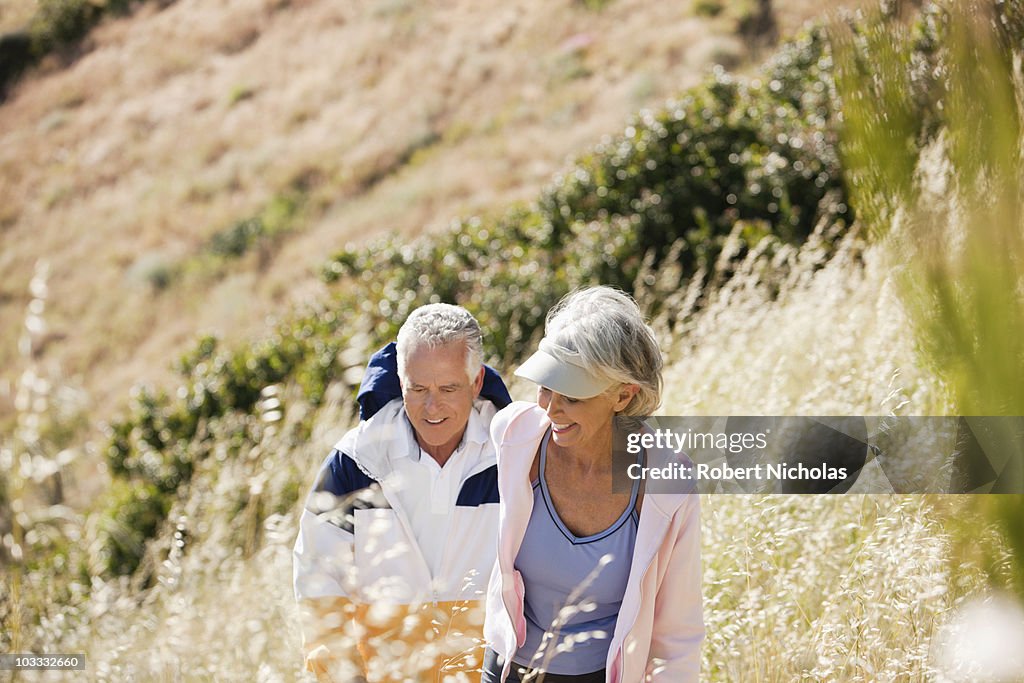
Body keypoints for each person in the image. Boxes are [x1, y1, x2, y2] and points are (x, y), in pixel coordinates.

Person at [482, 286, 703, 683]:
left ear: (623, 395)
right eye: (546, 386)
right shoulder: (515, 437)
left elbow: (678, 634)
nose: (550, 408)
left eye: (571, 395)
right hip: (507, 667)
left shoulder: (667, 482)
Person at [293, 303, 511, 682]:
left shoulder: (513, 453)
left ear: (476, 381)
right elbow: (317, 576)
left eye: (448, 388)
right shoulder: (355, 461)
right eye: (417, 388)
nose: (432, 407)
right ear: (400, 377)